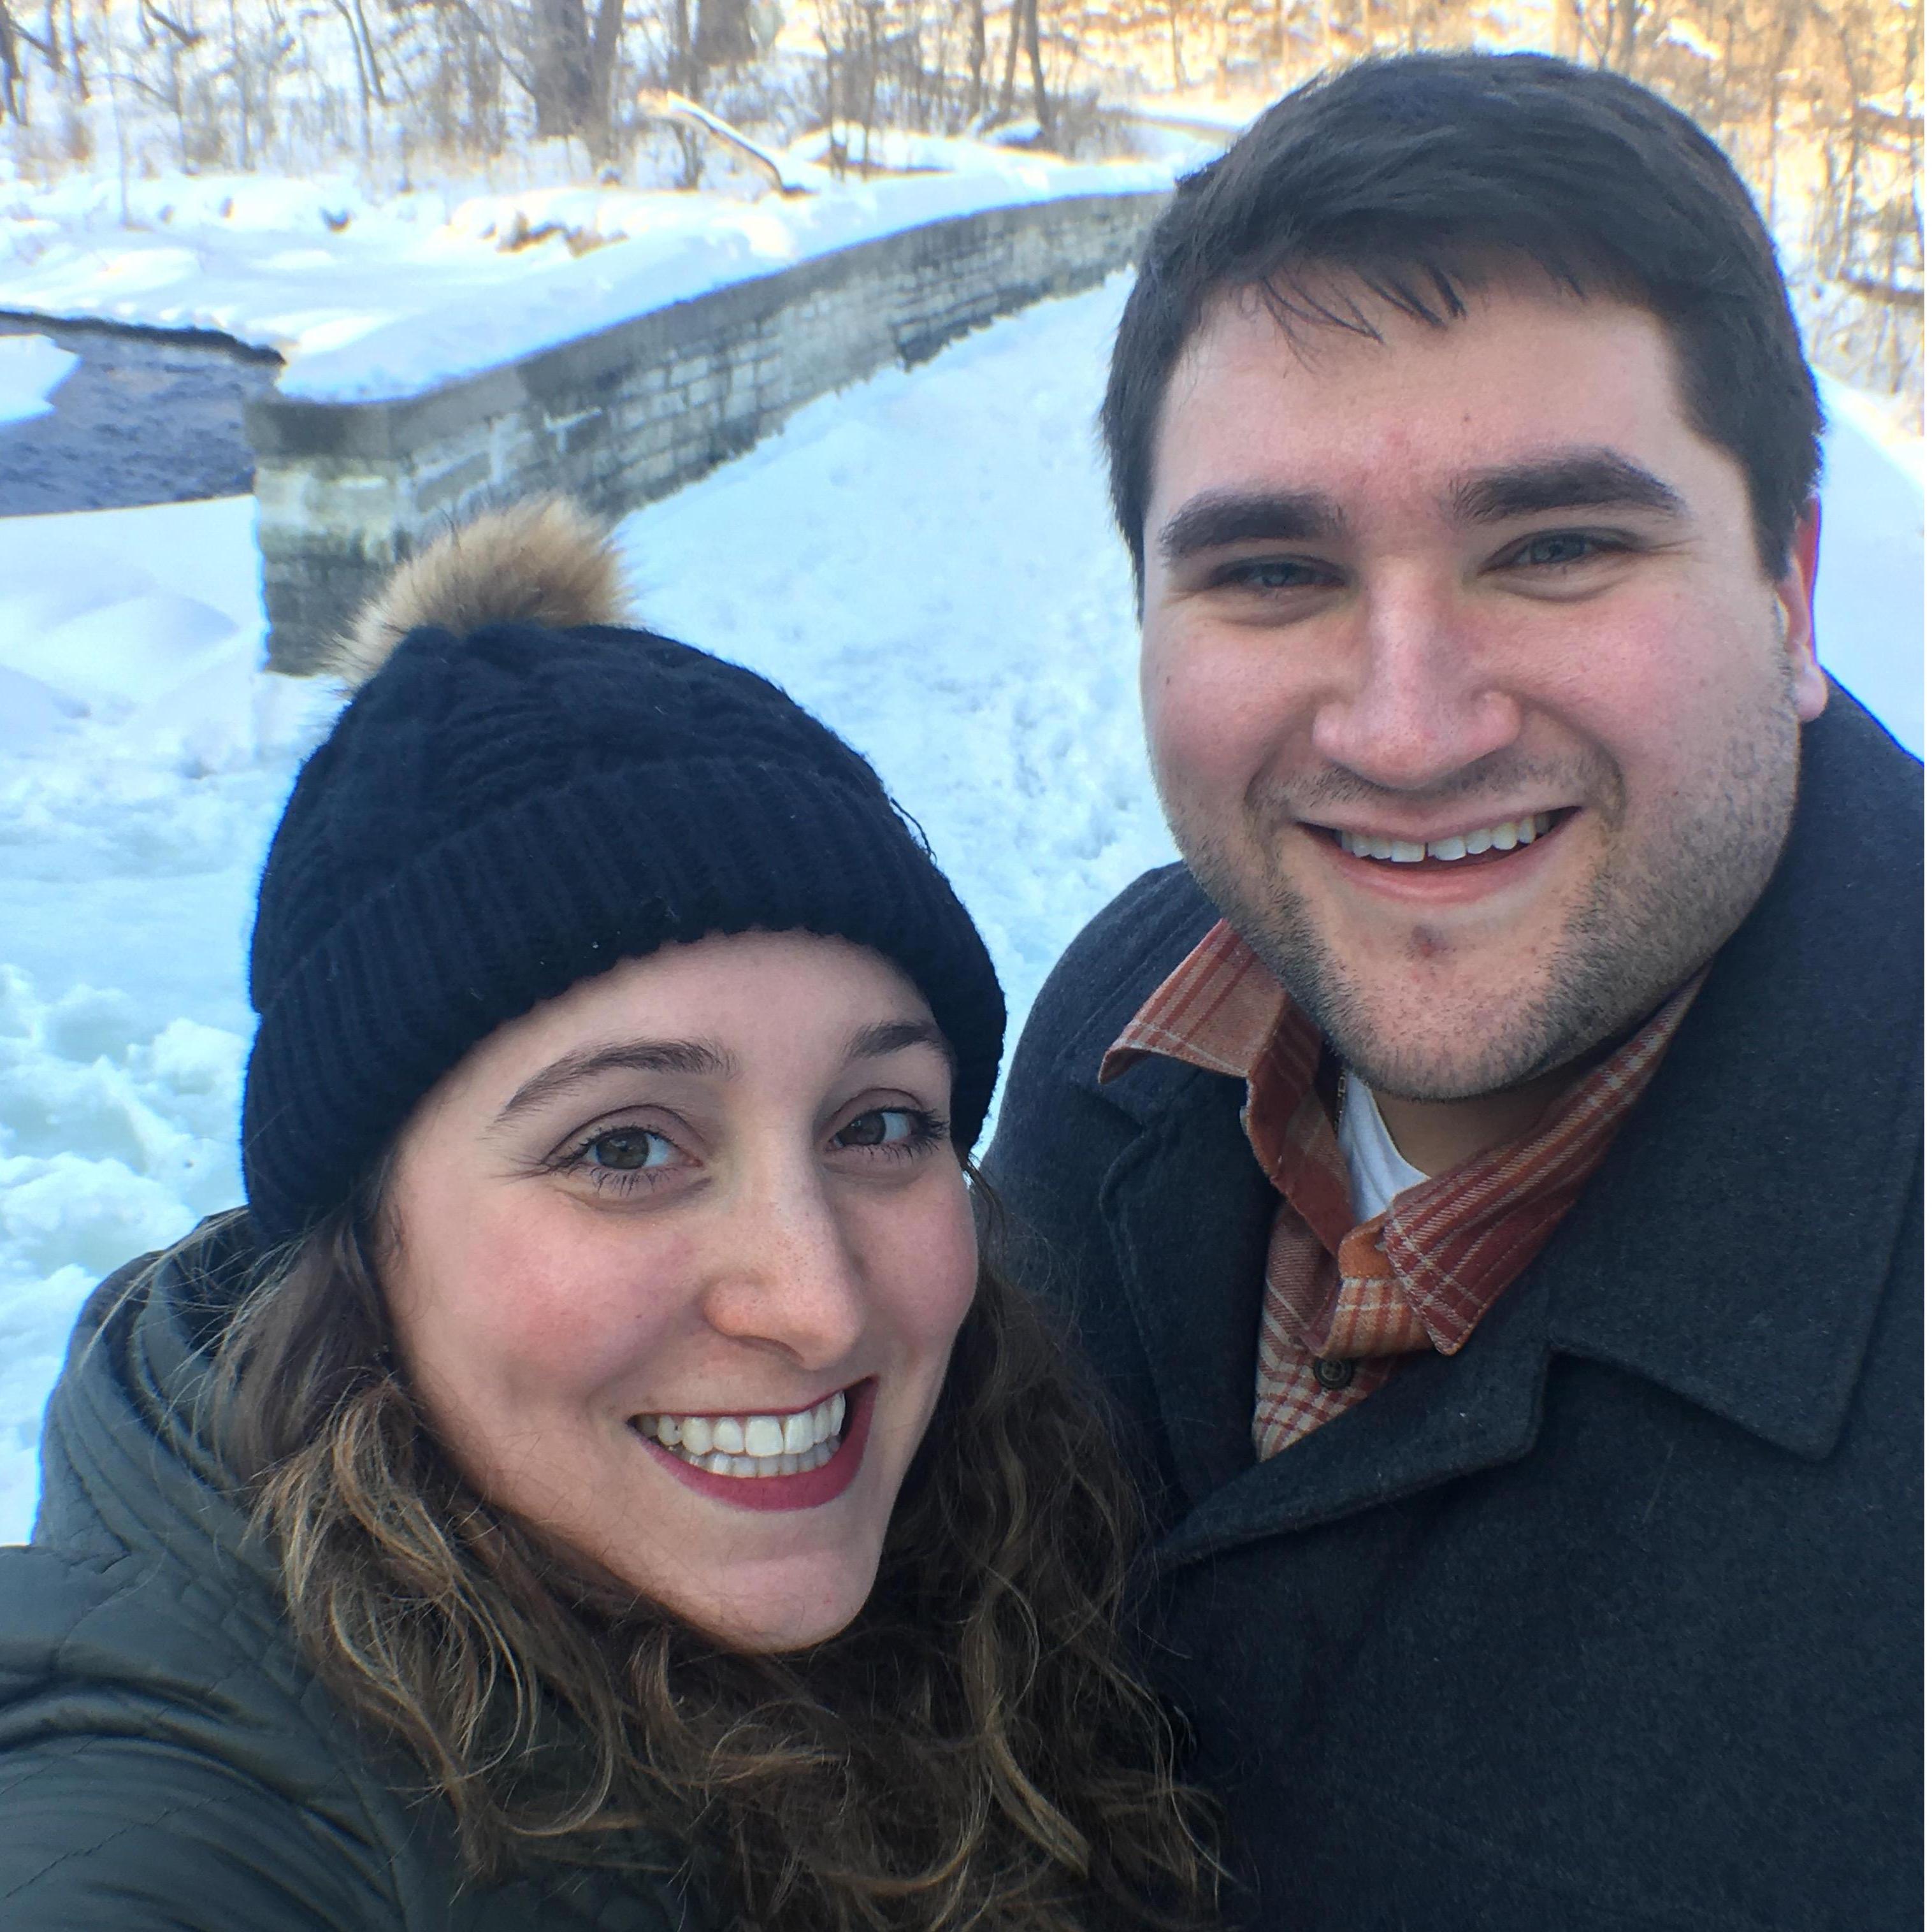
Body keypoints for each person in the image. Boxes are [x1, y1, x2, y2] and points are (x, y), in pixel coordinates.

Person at [986, 51, 1921, 1932]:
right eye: (1270, 570)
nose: (1407, 729)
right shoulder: (1116, 1038)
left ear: (1793, 593)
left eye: (1557, 548)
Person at [0, 501, 1213, 1931]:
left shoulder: (1007, 1559)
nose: (815, 1300)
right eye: (627, 1144)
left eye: (879, 1124)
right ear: (360, 1243)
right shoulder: (186, 1810)